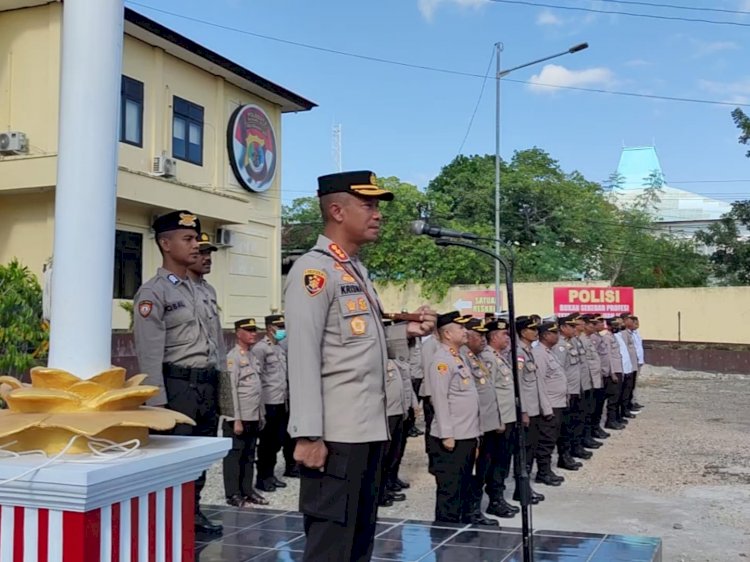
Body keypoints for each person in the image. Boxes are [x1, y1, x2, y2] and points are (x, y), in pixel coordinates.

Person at [284, 170, 436, 562]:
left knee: (358, 541)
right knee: (331, 546)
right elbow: (302, 354)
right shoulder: (313, 271)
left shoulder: (354, 269)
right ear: (337, 210)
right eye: (367, 205)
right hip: (336, 434)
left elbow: (357, 343)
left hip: (368, 428)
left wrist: (408, 331)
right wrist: (307, 434)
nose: (377, 214)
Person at [133, 210, 221, 535]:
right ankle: (168, 520)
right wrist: (156, 403)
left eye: (196, 238)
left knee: (200, 457)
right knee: (174, 460)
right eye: (187, 239)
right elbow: (149, 351)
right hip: (177, 387)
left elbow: (216, 347)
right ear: (165, 244)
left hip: (206, 386)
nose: (196, 245)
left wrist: (223, 393)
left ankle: (192, 514)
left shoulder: (201, 290)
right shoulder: (154, 293)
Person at [427, 311, 487, 525]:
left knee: (463, 486)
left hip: (467, 434)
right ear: (447, 333)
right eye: (460, 328)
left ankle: (459, 535)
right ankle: (445, 536)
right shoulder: (441, 361)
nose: (465, 331)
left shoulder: (458, 357)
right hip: (452, 437)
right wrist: (447, 434)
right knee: (450, 491)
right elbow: (440, 399)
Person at [223, 318, 268, 507]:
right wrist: (236, 419)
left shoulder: (252, 356)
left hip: (253, 414)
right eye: (248, 330)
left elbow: (259, 387)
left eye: (254, 330)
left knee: (249, 454)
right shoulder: (233, 357)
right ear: (238, 332)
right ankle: (233, 493)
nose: (253, 333)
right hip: (239, 416)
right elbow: (230, 390)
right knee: (235, 455)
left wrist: (261, 413)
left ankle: (247, 490)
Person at [462, 318, 502, 526]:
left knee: (483, 468)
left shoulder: (475, 358)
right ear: (467, 337)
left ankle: (475, 509)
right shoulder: (463, 359)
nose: (483, 340)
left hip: (486, 424)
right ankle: (471, 511)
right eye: (479, 336)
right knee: (475, 471)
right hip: (475, 426)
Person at [483, 319, 525, 514]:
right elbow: (489, 391)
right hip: (499, 420)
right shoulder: (488, 358)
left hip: (509, 417)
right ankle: (495, 499)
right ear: (493, 337)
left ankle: (499, 496)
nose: (508, 337)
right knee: (497, 461)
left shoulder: (500, 356)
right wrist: (498, 419)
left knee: (504, 459)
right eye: (504, 335)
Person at [513, 315, 550, 505]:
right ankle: (522, 490)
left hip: (535, 409)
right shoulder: (519, 353)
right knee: (524, 452)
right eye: (532, 329)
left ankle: (525, 488)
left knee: (531, 450)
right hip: (527, 411)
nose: (536, 332)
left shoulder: (529, 351)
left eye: (537, 329)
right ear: (522, 332)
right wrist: (524, 411)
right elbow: (518, 384)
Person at [253, 314, 291, 492]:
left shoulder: (279, 348)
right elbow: (257, 376)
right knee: (267, 442)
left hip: (280, 399)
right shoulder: (261, 348)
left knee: (278, 440)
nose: (282, 329)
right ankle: (262, 477)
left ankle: (270, 474)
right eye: (279, 326)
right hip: (268, 401)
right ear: (269, 328)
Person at [533, 322, 568, 486]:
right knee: (546, 440)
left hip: (557, 402)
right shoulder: (539, 353)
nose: (557, 335)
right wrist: (546, 407)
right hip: (550, 404)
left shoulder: (549, 352)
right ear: (546, 335)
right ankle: (543, 471)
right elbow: (539, 382)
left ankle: (546, 470)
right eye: (554, 333)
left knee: (552, 437)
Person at [188, 233, 226, 377]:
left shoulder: (209, 290)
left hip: (212, 371)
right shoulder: (178, 290)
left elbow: (218, 336)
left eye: (209, 253)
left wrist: (223, 372)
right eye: (201, 253)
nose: (208, 258)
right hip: (190, 374)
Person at [552, 314, 584, 472]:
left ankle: (571, 451)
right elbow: (560, 371)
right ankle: (563, 457)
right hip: (567, 392)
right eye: (571, 326)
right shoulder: (560, 346)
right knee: (565, 426)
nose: (574, 329)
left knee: (573, 422)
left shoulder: (571, 343)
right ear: (563, 328)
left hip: (575, 389)